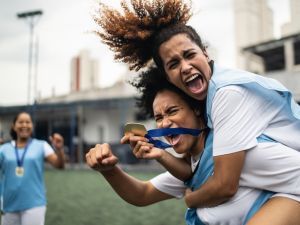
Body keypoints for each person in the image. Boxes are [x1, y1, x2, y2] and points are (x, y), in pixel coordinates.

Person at [93, 0, 300, 224]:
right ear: (168, 74)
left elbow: (224, 185)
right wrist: (114, 168)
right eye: (173, 64)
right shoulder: (208, 152)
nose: (184, 66)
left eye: (189, 55)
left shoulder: (226, 95)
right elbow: (153, 189)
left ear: (205, 53)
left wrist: (191, 200)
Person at [86, 67, 266, 225]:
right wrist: (109, 170)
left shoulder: (232, 146)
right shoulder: (188, 167)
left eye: (172, 111)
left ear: (196, 108)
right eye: (158, 118)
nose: (164, 124)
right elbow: (142, 194)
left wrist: (191, 199)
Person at [0, 112, 65, 225]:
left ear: (32, 126)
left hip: (34, 204)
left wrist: (59, 150)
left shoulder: (41, 145)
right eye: (20, 122)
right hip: (8, 204)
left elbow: (59, 165)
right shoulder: (3, 149)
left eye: (28, 122)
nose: (24, 125)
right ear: (14, 126)